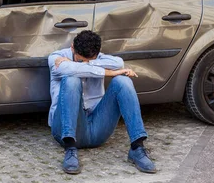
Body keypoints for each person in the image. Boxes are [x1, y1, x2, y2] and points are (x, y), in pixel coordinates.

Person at [48, 30, 156, 175]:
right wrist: (109, 72)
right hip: (64, 130)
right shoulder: (56, 57)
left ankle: (137, 147)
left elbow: (119, 62)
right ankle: (70, 149)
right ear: (72, 47)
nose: (83, 63)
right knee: (71, 79)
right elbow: (67, 68)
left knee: (123, 80)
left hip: (97, 128)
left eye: (89, 60)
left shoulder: (98, 57)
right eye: (80, 60)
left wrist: (89, 63)